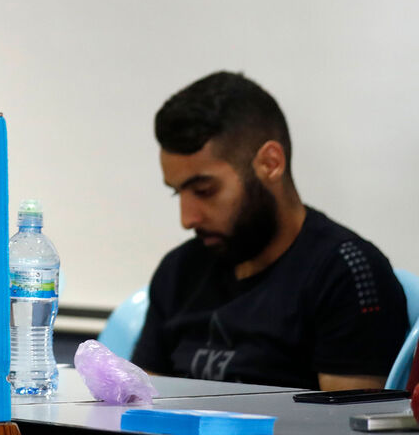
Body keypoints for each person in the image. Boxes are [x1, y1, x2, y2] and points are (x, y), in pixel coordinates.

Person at [131, 71, 409, 390]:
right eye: (178, 193)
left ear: (270, 164)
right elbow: (140, 405)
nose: (187, 218)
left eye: (205, 190)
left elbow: (342, 425)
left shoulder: (348, 274)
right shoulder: (179, 271)